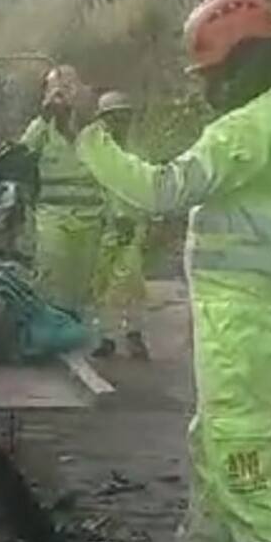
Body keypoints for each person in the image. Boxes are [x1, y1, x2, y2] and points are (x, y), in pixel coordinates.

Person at [74, 0, 271, 542]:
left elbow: (158, 191)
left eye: (212, 74)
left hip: (243, 331)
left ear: (244, 62)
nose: (205, 90)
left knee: (246, 463)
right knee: (215, 448)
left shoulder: (248, 130)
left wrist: (89, 133)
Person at [20, 64, 106, 318]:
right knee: (51, 279)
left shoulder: (94, 129)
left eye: (68, 88)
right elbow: (21, 154)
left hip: (91, 219)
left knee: (83, 282)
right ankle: (52, 322)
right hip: (53, 218)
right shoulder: (40, 129)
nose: (61, 96)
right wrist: (44, 118)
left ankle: (76, 325)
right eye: (55, 89)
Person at [90, 91, 150, 361]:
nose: (120, 123)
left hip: (132, 227)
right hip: (102, 226)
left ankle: (134, 333)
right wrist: (106, 216)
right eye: (114, 117)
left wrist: (141, 221)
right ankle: (107, 337)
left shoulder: (137, 152)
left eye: (124, 116)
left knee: (131, 282)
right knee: (101, 284)